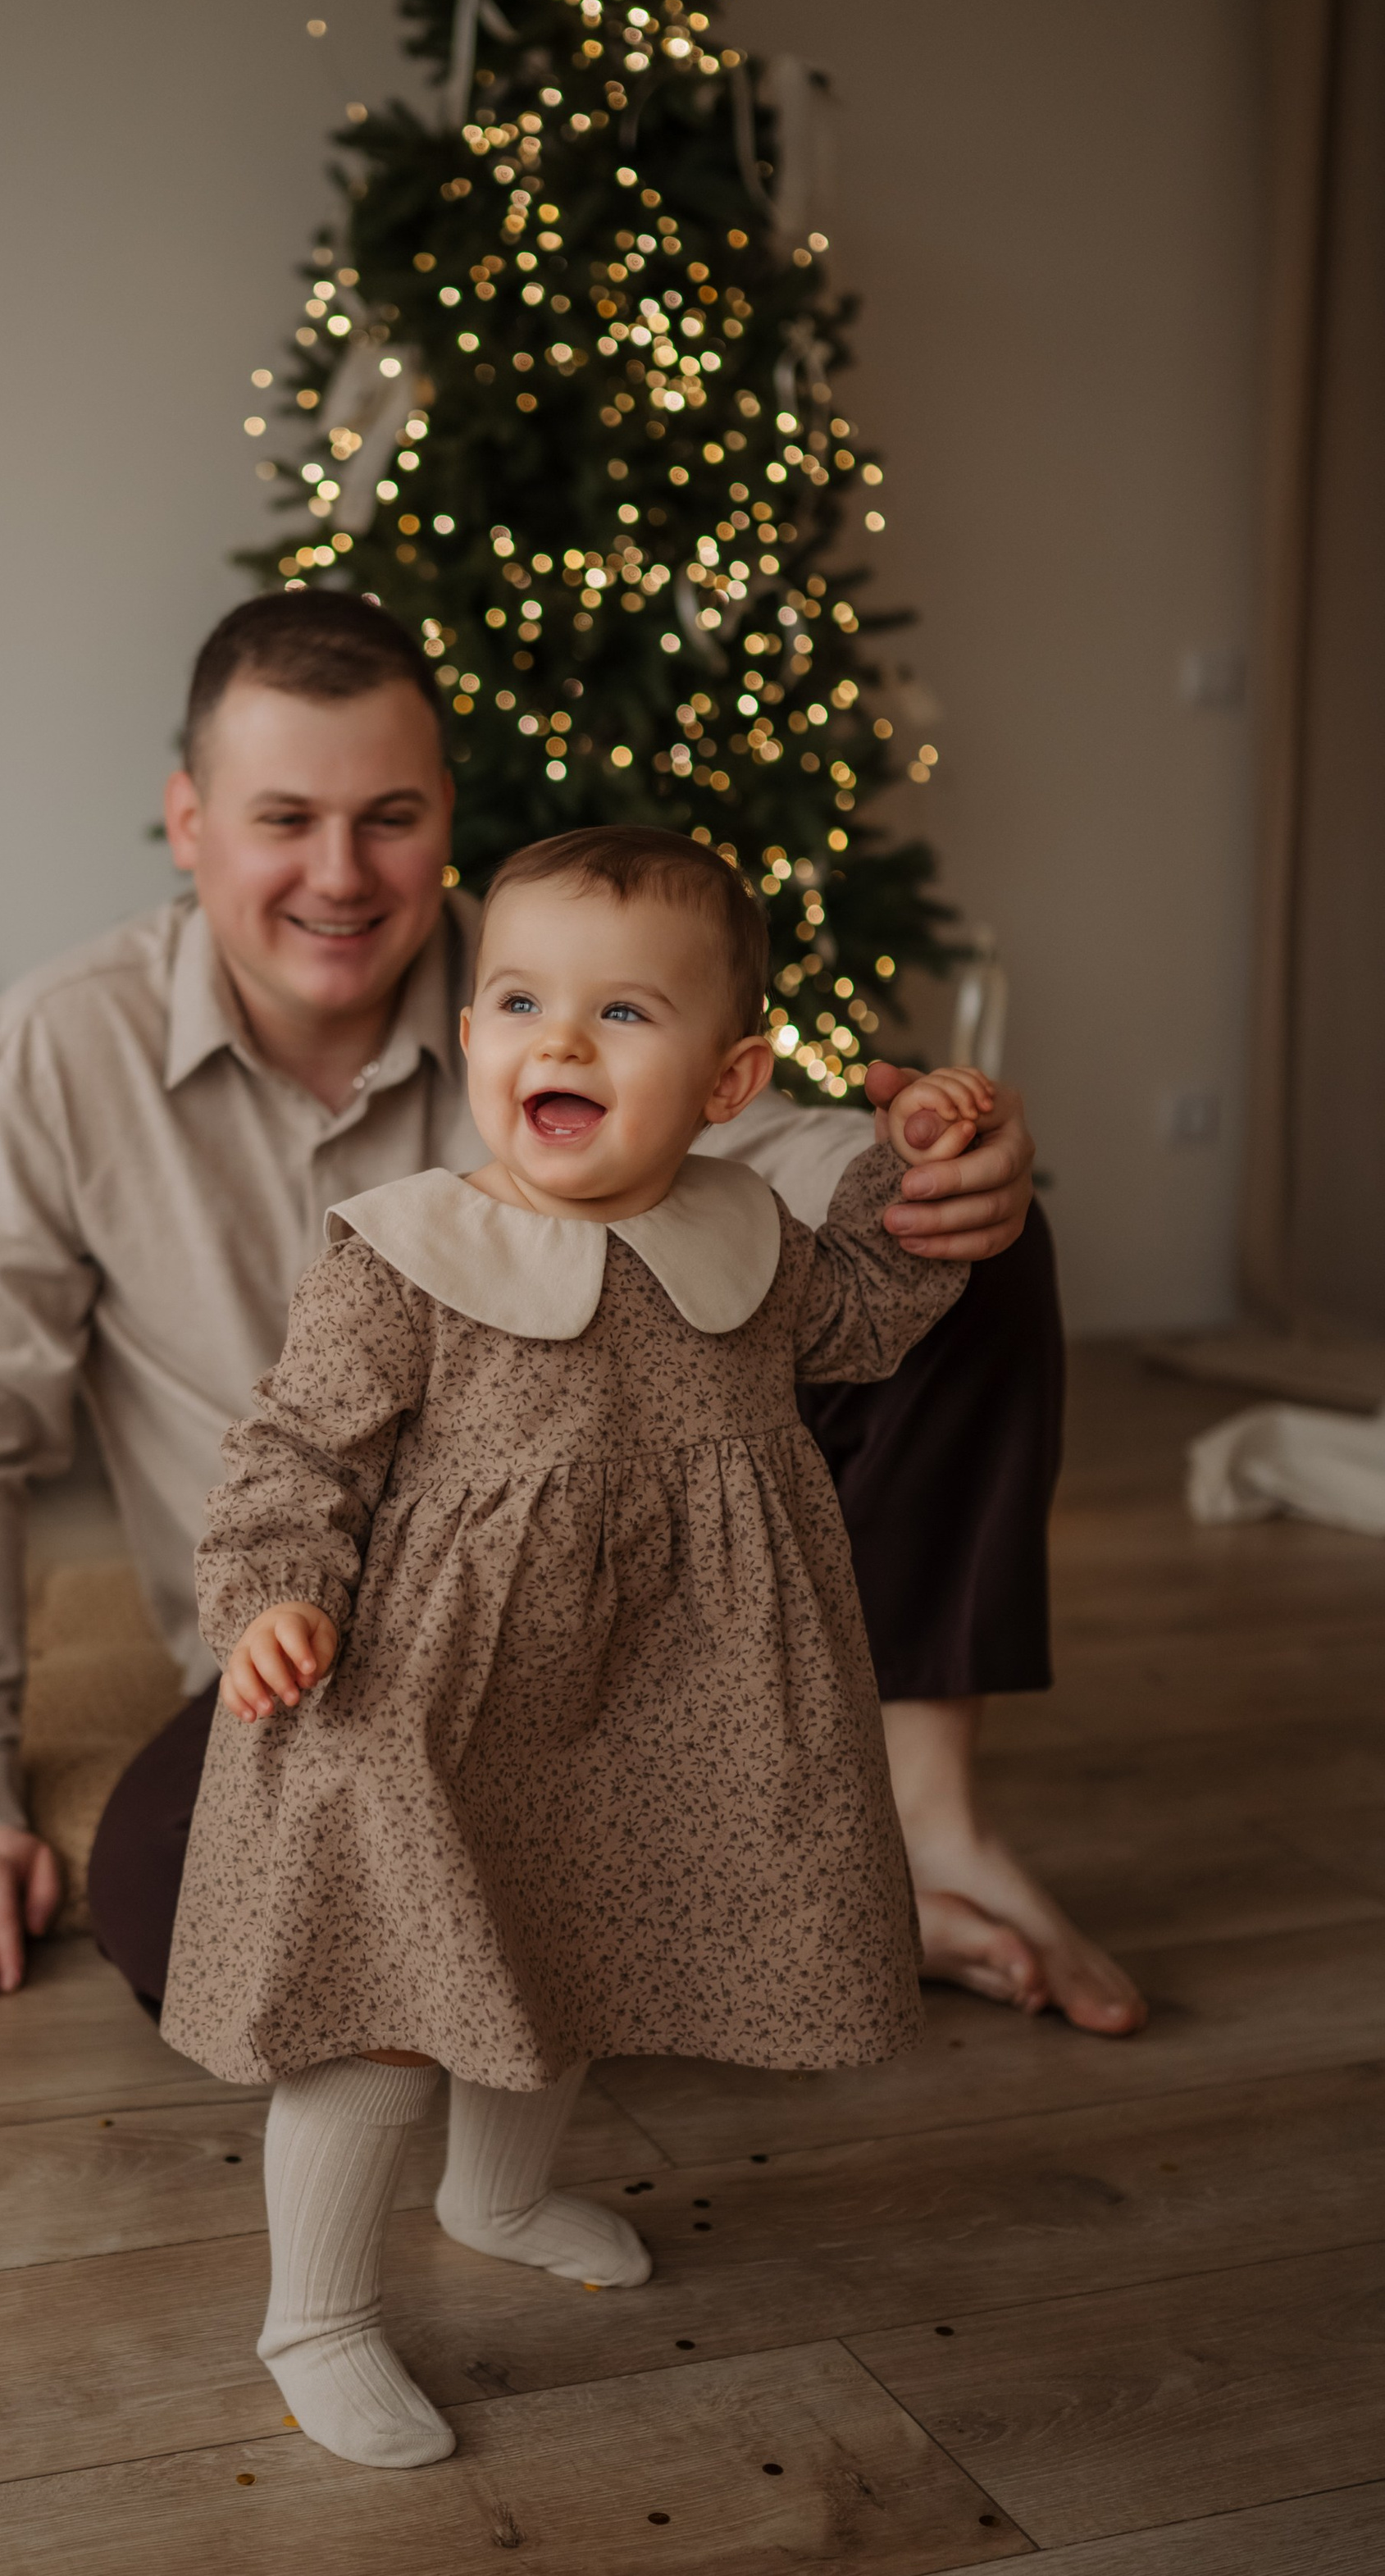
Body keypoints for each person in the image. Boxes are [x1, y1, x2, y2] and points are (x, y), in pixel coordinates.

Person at [0, 591, 1145, 2034]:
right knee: (179, 1906)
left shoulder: (555, 977)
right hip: (347, 1646)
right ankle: (710, 1917)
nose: (341, 876)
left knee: (977, 1249)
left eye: (390, 817)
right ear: (188, 821)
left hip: (638, 1630)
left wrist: (924, 1163)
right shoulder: (45, 1058)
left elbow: (765, 1156)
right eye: (285, 818)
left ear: (448, 816)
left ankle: (916, 1826)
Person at [160, 827, 991, 2467]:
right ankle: (313, 2316)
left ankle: (500, 2195)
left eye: (621, 1015)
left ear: (727, 1073)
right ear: (468, 1037)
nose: (554, 1039)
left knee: (570, 1943)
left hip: (650, 1697)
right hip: (421, 1697)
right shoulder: (402, 1255)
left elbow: (868, 1319)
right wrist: (270, 1595)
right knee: (387, 2006)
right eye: (518, 1000)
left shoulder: (746, 1237)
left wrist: (912, 1170)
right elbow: (290, 1455)